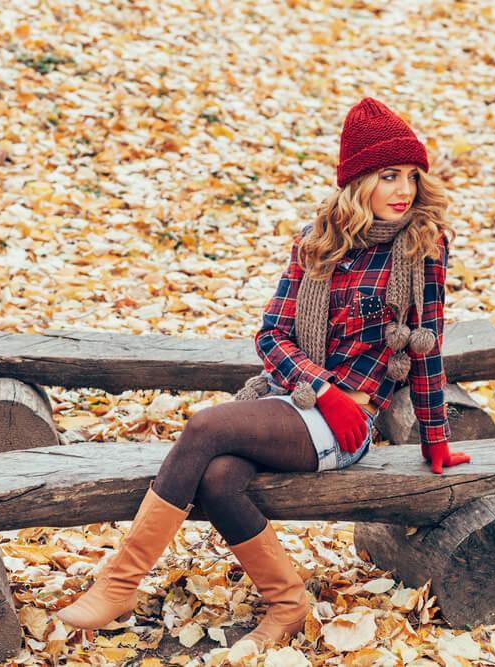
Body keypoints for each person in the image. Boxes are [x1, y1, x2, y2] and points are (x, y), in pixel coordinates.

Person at [55, 97, 471, 652]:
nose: (404, 190)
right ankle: (287, 603)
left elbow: (428, 347)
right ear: (357, 181)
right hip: (298, 400)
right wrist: (321, 389)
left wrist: (436, 438)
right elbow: (270, 336)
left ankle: (121, 583)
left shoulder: (423, 246)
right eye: (387, 175)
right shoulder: (317, 241)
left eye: (411, 176)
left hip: (352, 425)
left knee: (205, 427)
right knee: (219, 476)